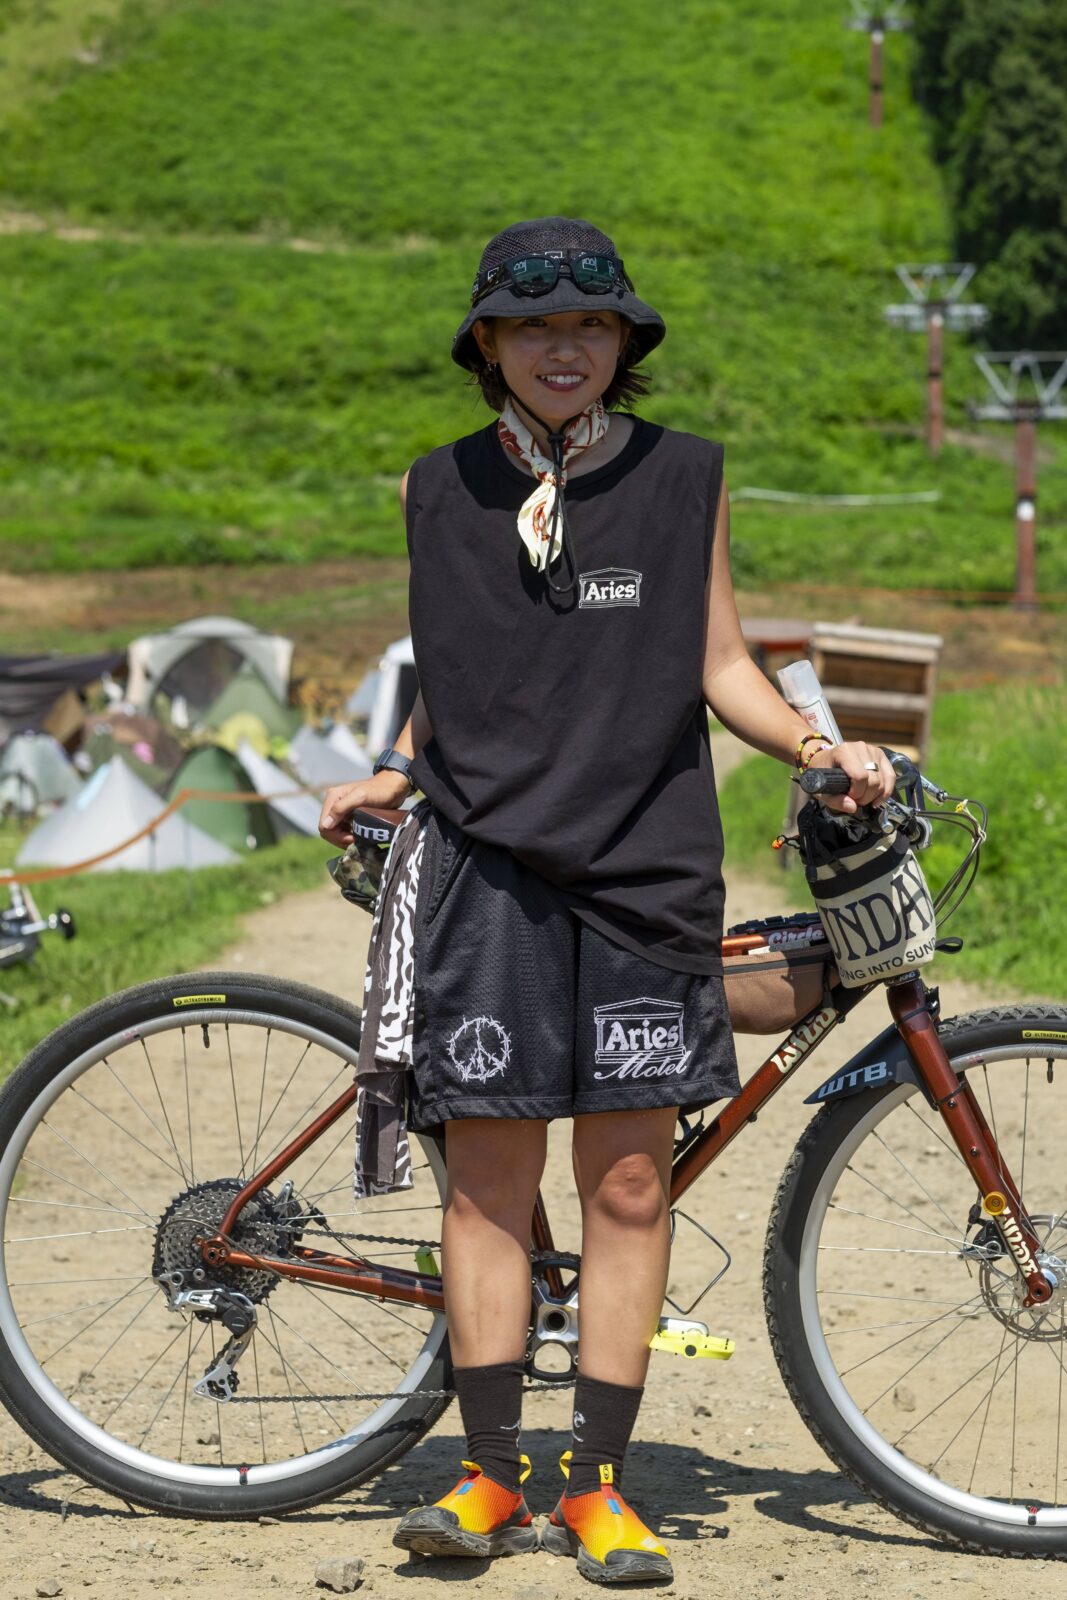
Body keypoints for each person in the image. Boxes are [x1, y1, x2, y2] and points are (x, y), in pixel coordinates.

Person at [319, 216, 895, 1585]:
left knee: (629, 1183)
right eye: (533, 326)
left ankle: (597, 1488)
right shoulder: (434, 487)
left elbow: (721, 661)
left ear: (623, 340)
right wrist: (393, 770)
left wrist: (820, 745)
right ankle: (486, 1477)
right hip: (485, 873)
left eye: (590, 324)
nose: (563, 347)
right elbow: (452, 669)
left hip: (645, 868)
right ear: (488, 344)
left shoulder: (686, 477)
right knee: (489, 1184)